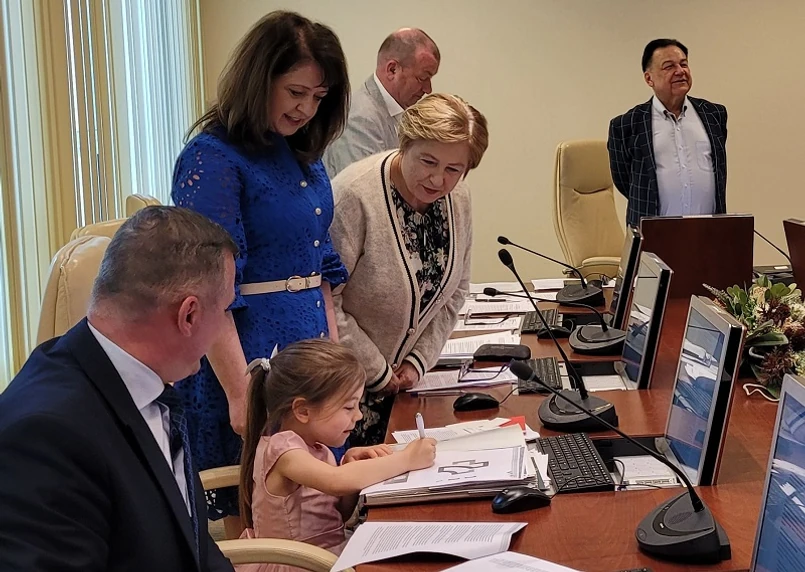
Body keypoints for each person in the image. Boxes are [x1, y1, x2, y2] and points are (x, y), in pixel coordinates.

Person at [171, 11, 350, 525]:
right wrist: (238, 391)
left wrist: (335, 361)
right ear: (259, 79)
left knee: (319, 512)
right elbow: (206, 285)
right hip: (249, 353)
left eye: (318, 97)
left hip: (307, 349)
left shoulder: (300, 153)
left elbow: (320, 267)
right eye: (296, 92)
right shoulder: (213, 157)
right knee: (260, 519)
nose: (306, 108)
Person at [0, 206, 237, 571]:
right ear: (188, 315)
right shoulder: (47, 434)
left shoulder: (147, 382)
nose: (223, 326)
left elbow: (190, 543)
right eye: (224, 310)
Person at [329, 93, 489, 445]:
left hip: (408, 389)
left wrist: (418, 361)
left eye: (453, 170)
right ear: (405, 144)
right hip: (346, 393)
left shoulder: (458, 197)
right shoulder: (354, 196)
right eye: (428, 161)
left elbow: (456, 291)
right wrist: (377, 371)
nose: (438, 180)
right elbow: (328, 300)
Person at [237, 339, 436, 571]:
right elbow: (336, 481)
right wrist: (406, 459)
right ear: (303, 411)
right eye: (349, 407)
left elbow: (335, 517)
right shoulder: (283, 449)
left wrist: (349, 465)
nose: (358, 416)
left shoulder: (317, 449)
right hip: (298, 563)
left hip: (322, 555)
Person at [607, 38, 727, 228]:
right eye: (669, 66)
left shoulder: (713, 114)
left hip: (709, 233)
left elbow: (718, 170)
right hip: (654, 235)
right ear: (649, 78)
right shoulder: (626, 125)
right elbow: (626, 182)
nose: (680, 71)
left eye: (683, 64)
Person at [323, 28, 440, 178]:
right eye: (423, 78)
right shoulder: (361, 119)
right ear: (392, 70)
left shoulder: (398, 111)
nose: (428, 89)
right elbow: (359, 187)